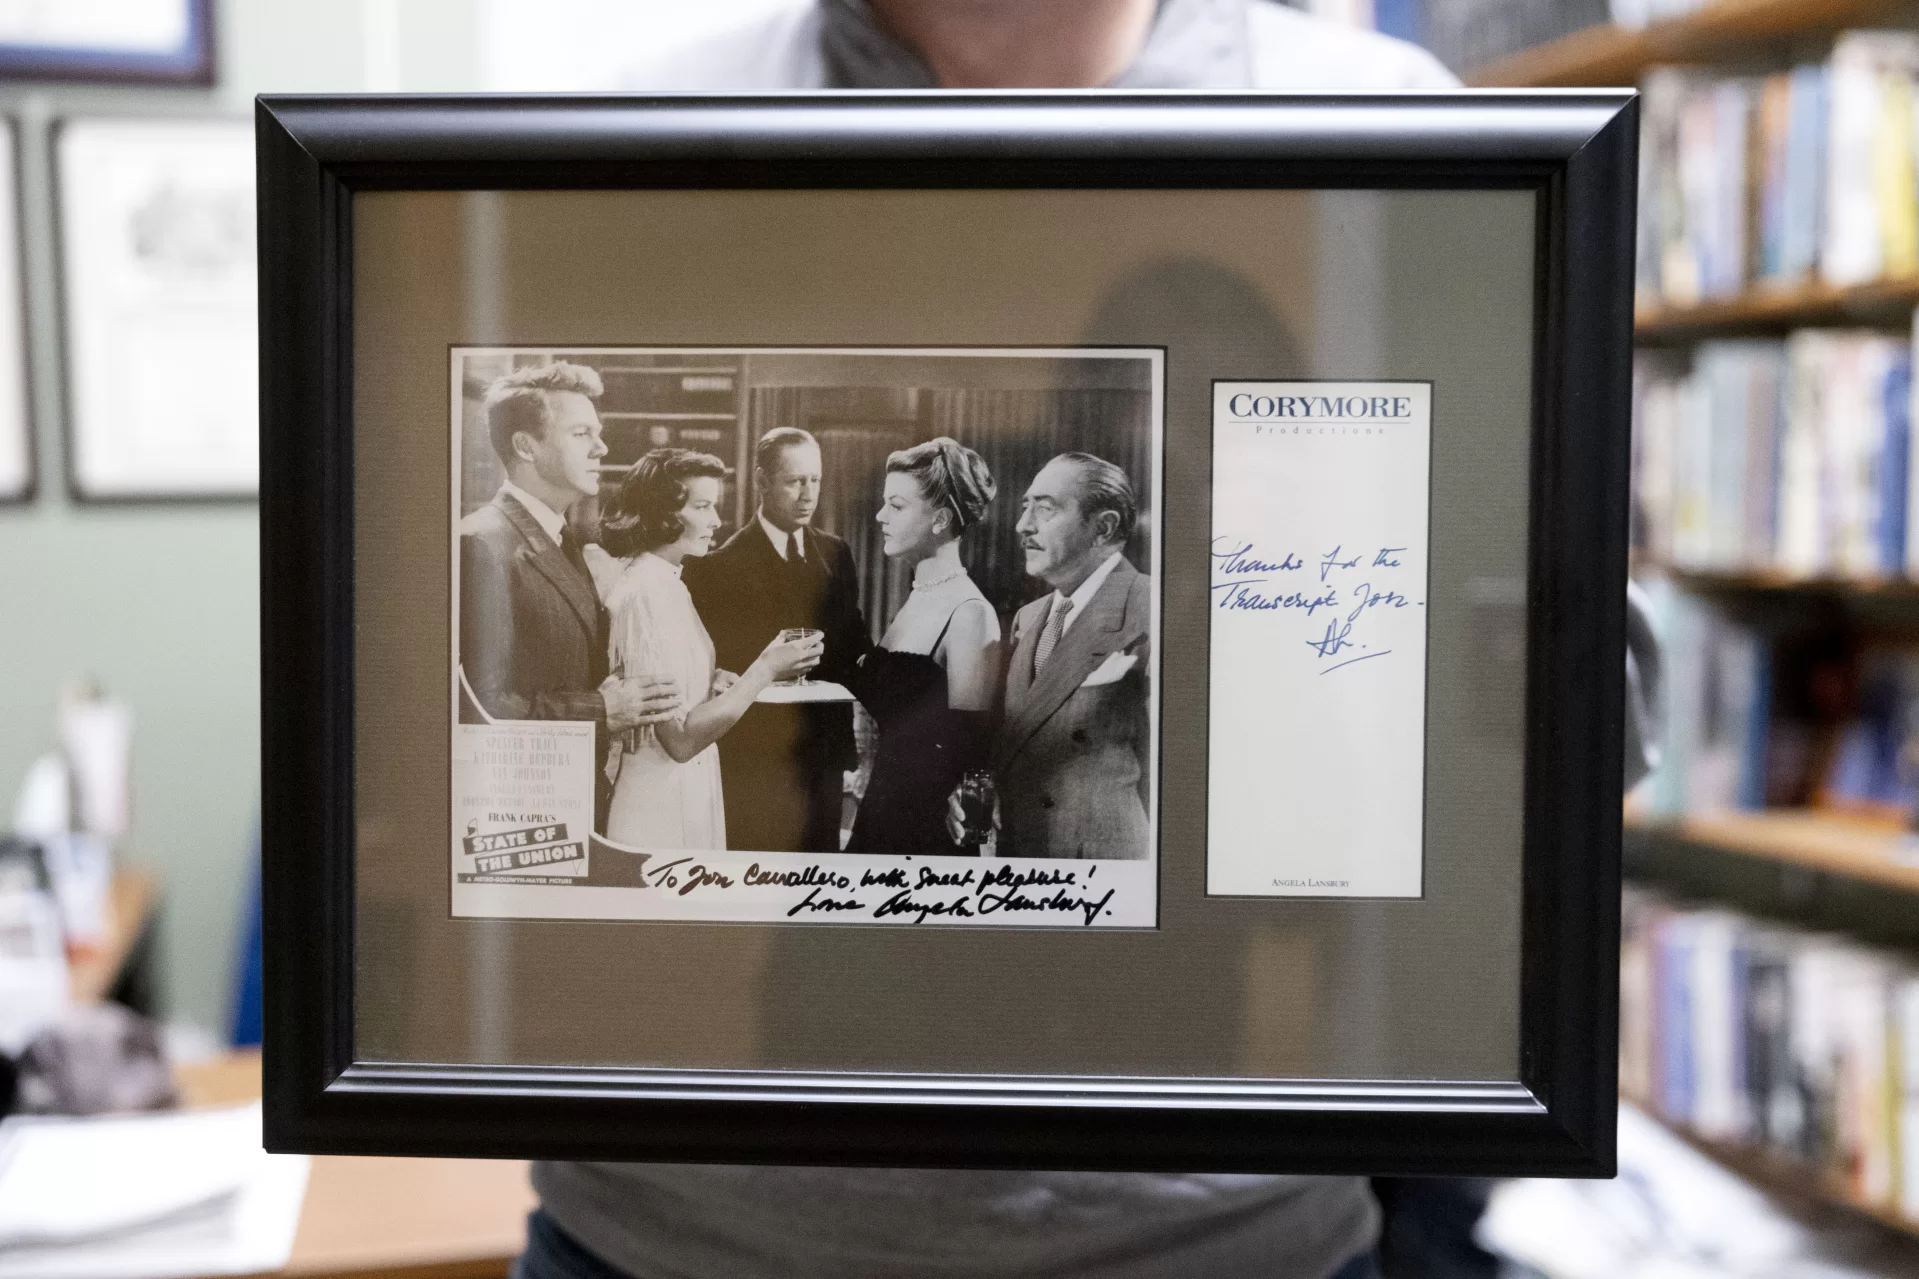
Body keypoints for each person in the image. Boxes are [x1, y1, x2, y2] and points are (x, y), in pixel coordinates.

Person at [525, 5, 1653, 1279]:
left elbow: (1474, 800)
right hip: (682, 1229)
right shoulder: (612, 139)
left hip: (1227, 1228)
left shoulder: (1406, 137)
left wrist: (1487, 678)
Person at [458, 361, 682, 831]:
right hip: (522, 813)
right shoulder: (482, 544)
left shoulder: (565, 538)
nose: (602, 447)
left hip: (577, 796)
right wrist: (603, 709)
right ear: (525, 446)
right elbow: (481, 706)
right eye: (582, 433)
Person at [584, 448, 825, 850]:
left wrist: (709, 682)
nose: (716, 520)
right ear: (664, 513)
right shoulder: (647, 591)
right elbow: (679, 741)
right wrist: (764, 669)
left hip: (683, 790)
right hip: (658, 807)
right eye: (703, 506)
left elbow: (674, 702)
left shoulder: (668, 583)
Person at [682, 427, 870, 853]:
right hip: (753, 761)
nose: (807, 494)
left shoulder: (837, 554)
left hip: (822, 760)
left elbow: (855, 644)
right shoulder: (714, 566)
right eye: (794, 481)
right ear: (762, 483)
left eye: (815, 480)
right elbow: (711, 671)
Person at [970, 451, 1152, 861]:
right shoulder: (1028, 618)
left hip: (1102, 870)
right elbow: (1017, 741)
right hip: (1023, 858)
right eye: (1024, 507)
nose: (1022, 526)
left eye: (1045, 509)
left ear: (1102, 528)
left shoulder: (1150, 607)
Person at [844, 438, 1000, 856]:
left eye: (896, 506)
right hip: (882, 808)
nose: (880, 517)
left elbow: (974, 753)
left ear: (940, 518)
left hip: (926, 828)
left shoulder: (970, 612)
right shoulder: (919, 596)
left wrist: (970, 820)